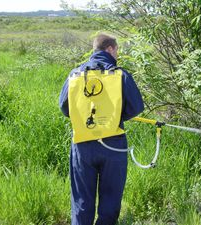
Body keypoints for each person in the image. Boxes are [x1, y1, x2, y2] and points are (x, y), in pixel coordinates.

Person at [59, 33, 144, 225]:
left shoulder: (74, 75)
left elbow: (64, 107)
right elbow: (136, 107)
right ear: (110, 49)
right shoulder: (120, 74)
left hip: (82, 144)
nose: (118, 55)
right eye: (117, 51)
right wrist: (114, 119)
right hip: (113, 144)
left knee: (82, 200)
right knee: (111, 198)